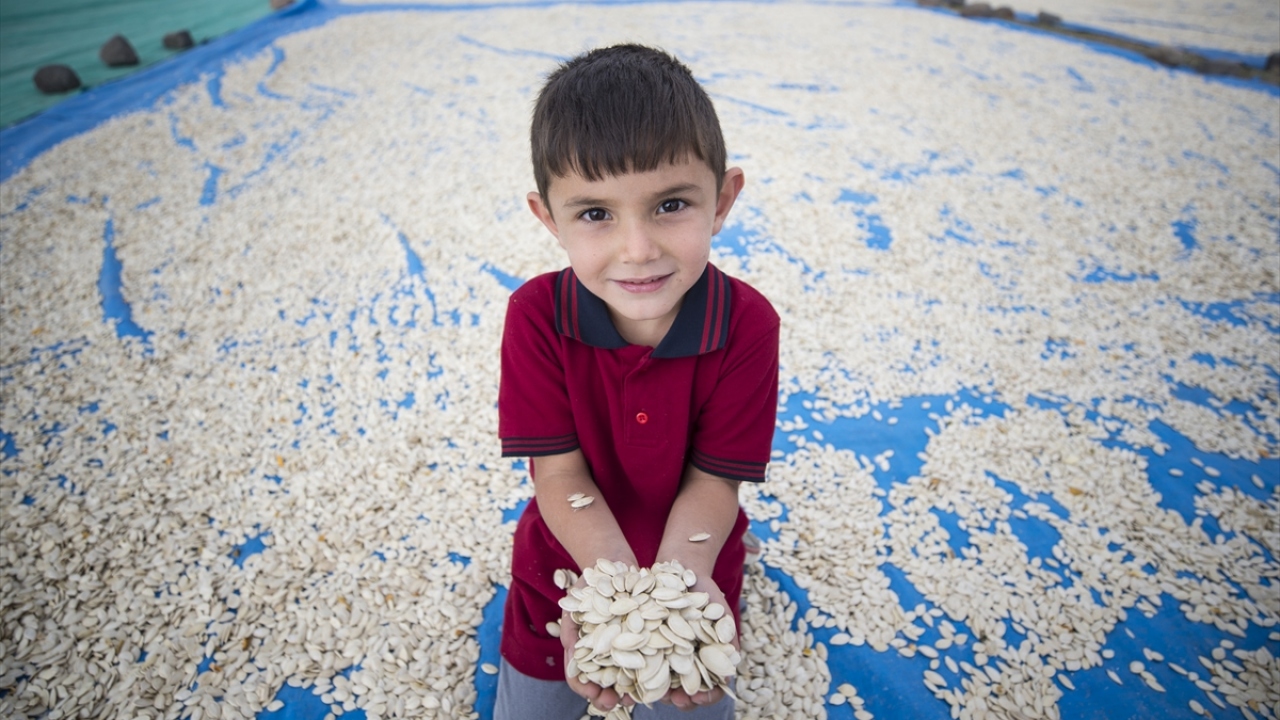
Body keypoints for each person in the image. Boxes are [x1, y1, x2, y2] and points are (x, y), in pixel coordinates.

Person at [494, 43, 780, 720]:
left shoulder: (746, 324)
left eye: (670, 204)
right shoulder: (536, 317)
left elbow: (715, 482)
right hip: (565, 571)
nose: (638, 249)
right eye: (596, 214)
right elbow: (560, 480)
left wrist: (675, 599)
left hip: (699, 563)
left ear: (723, 199)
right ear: (549, 219)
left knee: (689, 697)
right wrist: (612, 599)